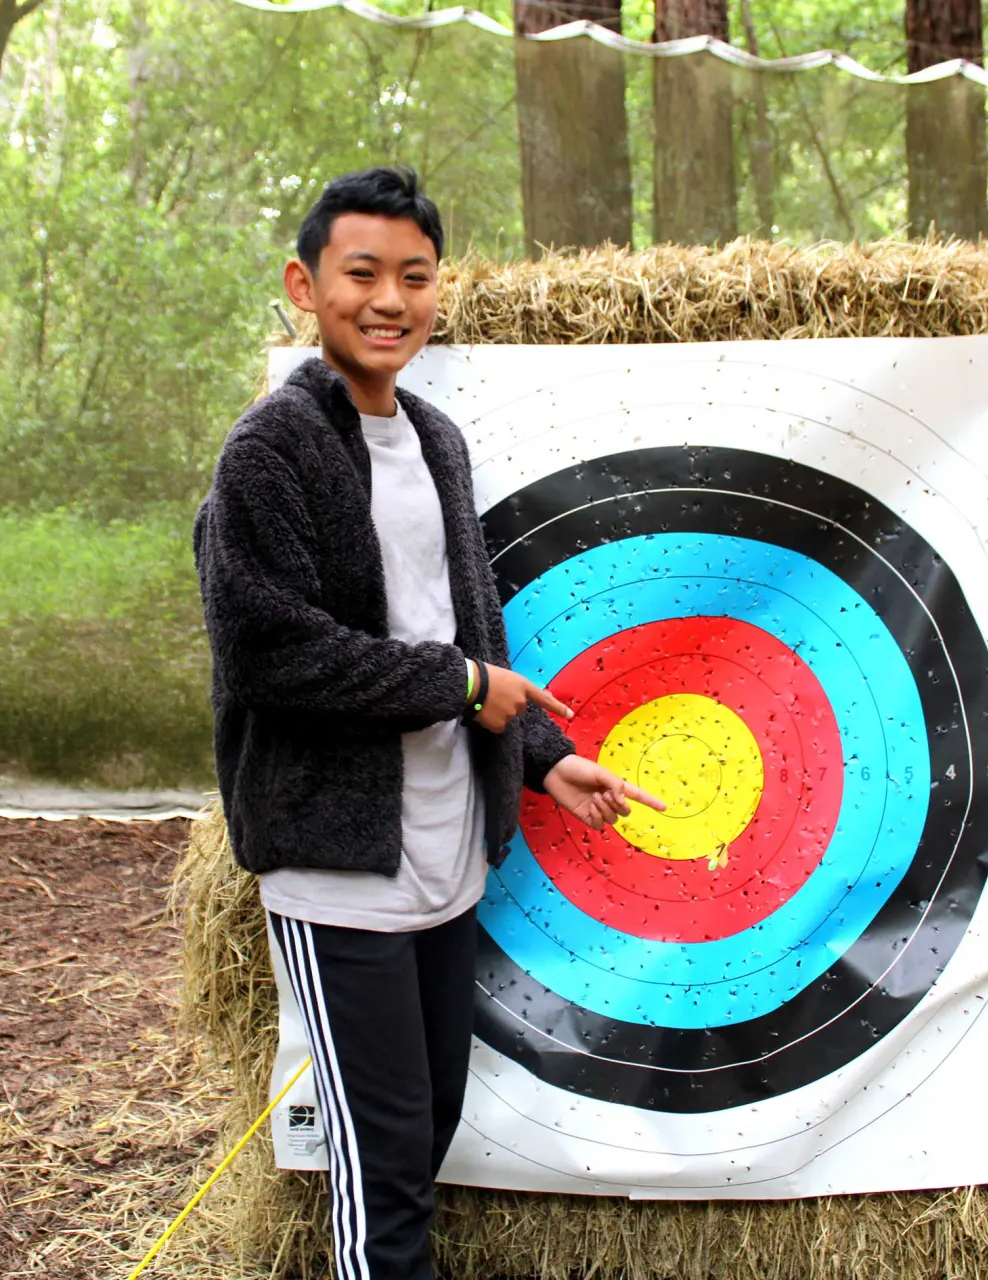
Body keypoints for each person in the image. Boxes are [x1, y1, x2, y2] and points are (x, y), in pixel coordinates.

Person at [193, 165, 663, 1280]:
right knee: (385, 1160)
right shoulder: (268, 450)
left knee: (431, 1119)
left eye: (415, 276)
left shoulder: (437, 440)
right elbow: (270, 652)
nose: (389, 300)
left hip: (447, 850)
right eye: (362, 273)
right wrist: (459, 688)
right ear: (305, 286)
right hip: (338, 862)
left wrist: (542, 759)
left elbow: (469, 627)